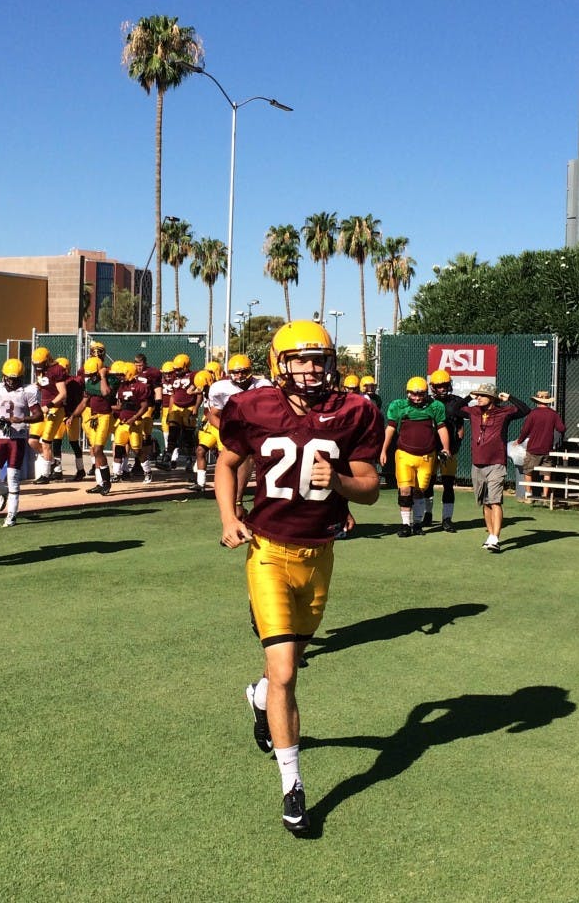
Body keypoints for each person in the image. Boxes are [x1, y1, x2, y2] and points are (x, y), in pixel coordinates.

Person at [216, 320, 383, 835]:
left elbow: (372, 487)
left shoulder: (355, 411)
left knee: (286, 670)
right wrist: (229, 516)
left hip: (320, 552)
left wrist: (338, 483)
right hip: (267, 549)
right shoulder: (251, 406)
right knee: (286, 672)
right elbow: (228, 463)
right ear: (278, 362)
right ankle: (293, 786)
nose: (310, 369)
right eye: (300, 359)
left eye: (319, 359)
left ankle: (260, 698)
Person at [459, 383, 530, 552]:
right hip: (477, 463)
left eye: (482, 395)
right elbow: (454, 409)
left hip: (497, 463)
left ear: (492, 398)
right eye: (477, 395)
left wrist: (510, 398)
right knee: (485, 502)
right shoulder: (474, 411)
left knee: (495, 500)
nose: (478, 397)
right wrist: (469, 396)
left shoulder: (504, 412)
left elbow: (525, 410)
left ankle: (495, 538)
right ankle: (490, 535)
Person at [199, 354, 272, 511]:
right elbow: (213, 414)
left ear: (250, 371)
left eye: (243, 372)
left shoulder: (263, 385)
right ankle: (235, 503)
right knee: (229, 463)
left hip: (258, 430)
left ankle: (244, 502)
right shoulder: (220, 388)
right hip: (234, 430)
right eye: (235, 372)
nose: (239, 376)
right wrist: (227, 431)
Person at [380, 377, 451, 537]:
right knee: (405, 490)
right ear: (407, 393)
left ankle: (417, 523)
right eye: (414, 394)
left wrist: (446, 448)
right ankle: (406, 524)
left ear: (426, 393)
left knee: (420, 491)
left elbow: (441, 428)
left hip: (427, 456)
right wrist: (383, 449)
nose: (417, 398)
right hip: (404, 454)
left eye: (421, 394)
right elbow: (390, 428)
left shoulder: (435, 406)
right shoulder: (399, 406)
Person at [0, 359, 43, 526]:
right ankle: (3, 493)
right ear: (3, 377)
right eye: (10, 379)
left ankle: (12, 514)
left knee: (13, 477)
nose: (13, 382)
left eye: (16, 379)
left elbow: (39, 415)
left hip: (17, 438)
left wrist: (21, 419)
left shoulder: (27, 391)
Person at [423, 369, 469, 531]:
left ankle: (447, 519)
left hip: (449, 449)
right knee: (427, 483)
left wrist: (457, 441)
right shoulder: (426, 401)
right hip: (430, 447)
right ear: (433, 387)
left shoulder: (457, 401)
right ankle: (427, 514)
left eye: (444, 385)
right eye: (439, 386)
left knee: (448, 484)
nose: (442, 388)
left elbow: (461, 425)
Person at [67, 356, 116, 495]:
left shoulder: (109, 380)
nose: (90, 377)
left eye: (93, 374)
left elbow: (106, 392)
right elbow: (83, 402)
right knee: (95, 450)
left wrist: (102, 376)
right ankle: (100, 483)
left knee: (99, 449)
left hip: (105, 416)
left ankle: (106, 482)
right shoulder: (89, 383)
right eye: (89, 375)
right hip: (93, 417)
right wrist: (72, 415)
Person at [515, 390, 565, 503]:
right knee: (546, 473)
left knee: (528, 471)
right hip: (547, 449)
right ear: (547, 401)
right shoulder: (553, 414)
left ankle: (528, 496)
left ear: (537, 400)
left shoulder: (533, 413)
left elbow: (525, 430)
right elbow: (562, 428)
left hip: (533, 448)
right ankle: (545, 497)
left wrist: (519, 440)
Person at [28, 347, 67, 485]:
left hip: (54, 409)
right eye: (36, 365)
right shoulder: (41, 371)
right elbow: (43, 384)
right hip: (43, 409)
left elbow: (62, 394)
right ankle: (51, 460)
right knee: (32, 441)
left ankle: (45, 474)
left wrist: (48, 406)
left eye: (40, 364)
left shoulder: (57, 370)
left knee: (46, 443)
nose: (38, 367)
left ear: (48, 360)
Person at [111, 362, 153, 483]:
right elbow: (120, 406)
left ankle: (148, 471)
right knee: (118, 448)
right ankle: (117, 473)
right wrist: (109, 408)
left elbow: (144, 407)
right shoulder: (122, 387)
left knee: (137, 450)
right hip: (123, 422)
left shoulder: (140, 387)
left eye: (122, 374)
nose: (120, 377)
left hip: (135, 422)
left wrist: (134, 418)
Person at [162, 353, 198, 470]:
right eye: (175, 369)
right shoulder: (174, 377)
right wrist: (170, 411)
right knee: (172, 433)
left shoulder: (194, 375)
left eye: (179, 369)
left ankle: (189, 459)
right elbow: (172, 396)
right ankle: (167, 457)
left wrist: (196, 408)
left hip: (189, 407)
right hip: (176, 407)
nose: (176, 371)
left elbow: (200, 393)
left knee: (188, 436)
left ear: (186, 366)